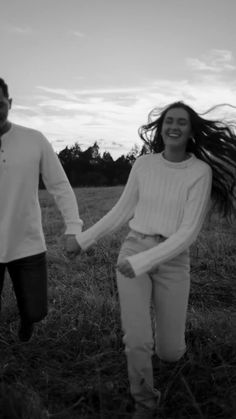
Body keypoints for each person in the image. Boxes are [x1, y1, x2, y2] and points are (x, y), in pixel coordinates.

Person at [68, 101, 236, 418]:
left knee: (170, 353)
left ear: (190, 130)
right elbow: (121, 211)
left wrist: (146, 262)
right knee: (137, 340)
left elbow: (187, 233)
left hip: (173, 259)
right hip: (134, 248)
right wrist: (83, 240)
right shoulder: (144, 165)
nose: (174, 126)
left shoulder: (200, 172)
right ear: (161, 127)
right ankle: (144, 402)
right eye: (168, 120)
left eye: (181, 122)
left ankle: (166, 344)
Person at [0, 78, 83, 342]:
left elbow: (59, 184)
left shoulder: (33, 139)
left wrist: (73, 227)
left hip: (27, 241)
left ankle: (27, 321)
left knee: (36, 311)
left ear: (9, 104)